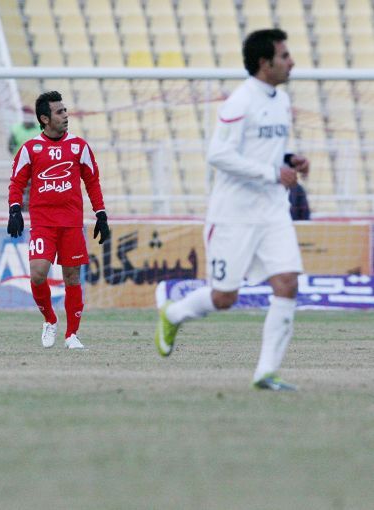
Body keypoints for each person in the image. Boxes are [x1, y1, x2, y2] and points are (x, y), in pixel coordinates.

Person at [154, 29, 309, 391]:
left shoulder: (282, 100)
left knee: (287, 283)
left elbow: (263, 151)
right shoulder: (240, 102)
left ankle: (266, 372)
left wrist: (289, 160)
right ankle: (174, 313)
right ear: (264, 63)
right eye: (284, 56)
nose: (291, 62)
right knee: (225, 297)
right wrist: (272, 172)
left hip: (273, 212)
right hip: (234, 215)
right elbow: (219, 155)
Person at [7, 90, 110, 350]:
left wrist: (101, 213)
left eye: (65, 110)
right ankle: (50, 319)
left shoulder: (79, 146)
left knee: (72, 278)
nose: (66, 115)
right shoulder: (30, 148)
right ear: (45, 119)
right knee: (38, 274)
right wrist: (15, 209)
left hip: (72, 223)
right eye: (59, 112)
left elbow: (92, 181)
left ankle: (71, 335)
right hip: (43, 222)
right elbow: (17, 182)